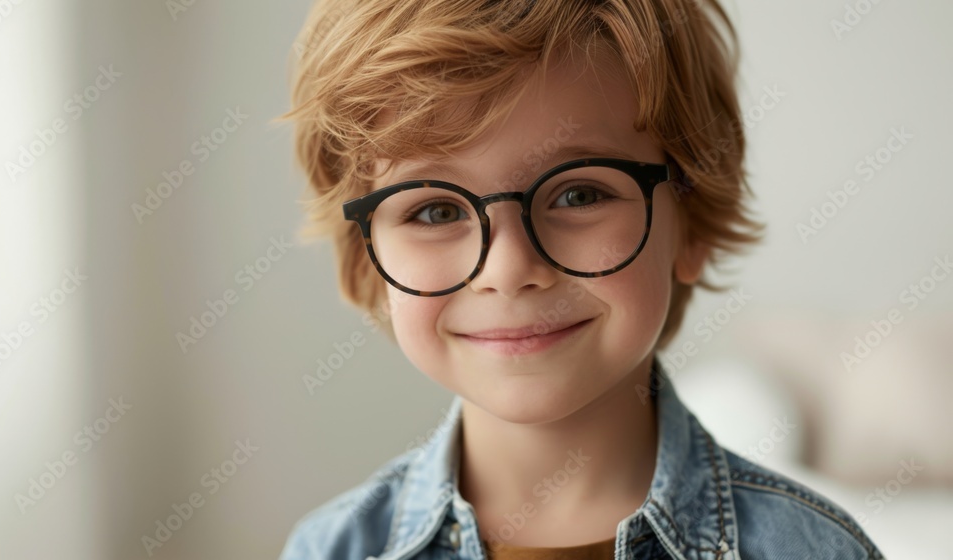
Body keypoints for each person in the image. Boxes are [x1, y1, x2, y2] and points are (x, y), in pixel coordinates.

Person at [277, 0, 884, 558]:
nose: (509, 269)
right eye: (435, 211)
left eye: (578, 193)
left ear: (692, 224)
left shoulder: (813, 548)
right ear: (367, 256)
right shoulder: (331, 548)